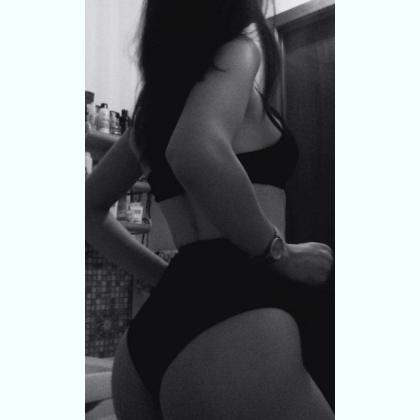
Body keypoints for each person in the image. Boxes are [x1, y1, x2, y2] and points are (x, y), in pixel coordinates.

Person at [85, 0, 335, 418]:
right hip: (240, 315)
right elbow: (194, 150)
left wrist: (165, 280)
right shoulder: (238, 50)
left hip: (151, 336)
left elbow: (87, 209)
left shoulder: (153, 107)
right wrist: (283, 255)